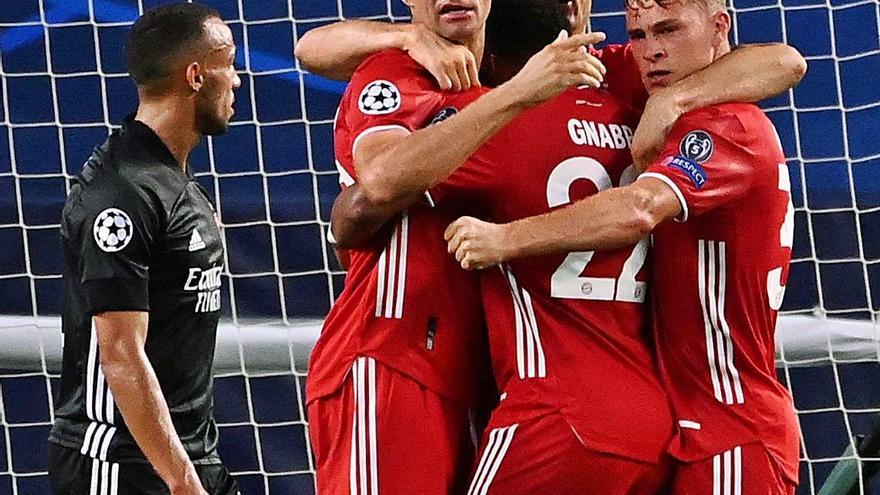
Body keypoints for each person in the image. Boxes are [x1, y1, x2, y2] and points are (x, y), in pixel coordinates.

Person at [445, 0, 801, 492]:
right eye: (639, 35)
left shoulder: (727, 126)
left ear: (720, 27)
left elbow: (637, 209)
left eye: (669, 30)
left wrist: (505, 238)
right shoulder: (648, 94)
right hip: (680, 423)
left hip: (731, 424)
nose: (652, 51)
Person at [303, 1, 606, 494]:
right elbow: (379, 180)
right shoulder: (396, 68)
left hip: (474, 377)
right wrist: (404, 39)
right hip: (391, 360)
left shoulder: (501, 74)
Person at [48, 4, 241, 494]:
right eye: (229, 63)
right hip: (120, 465)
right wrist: (181, 482)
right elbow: (119, 352)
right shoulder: (121, 191)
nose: (237, 81)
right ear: (196, 75)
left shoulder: (170, 178)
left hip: (191, 459)